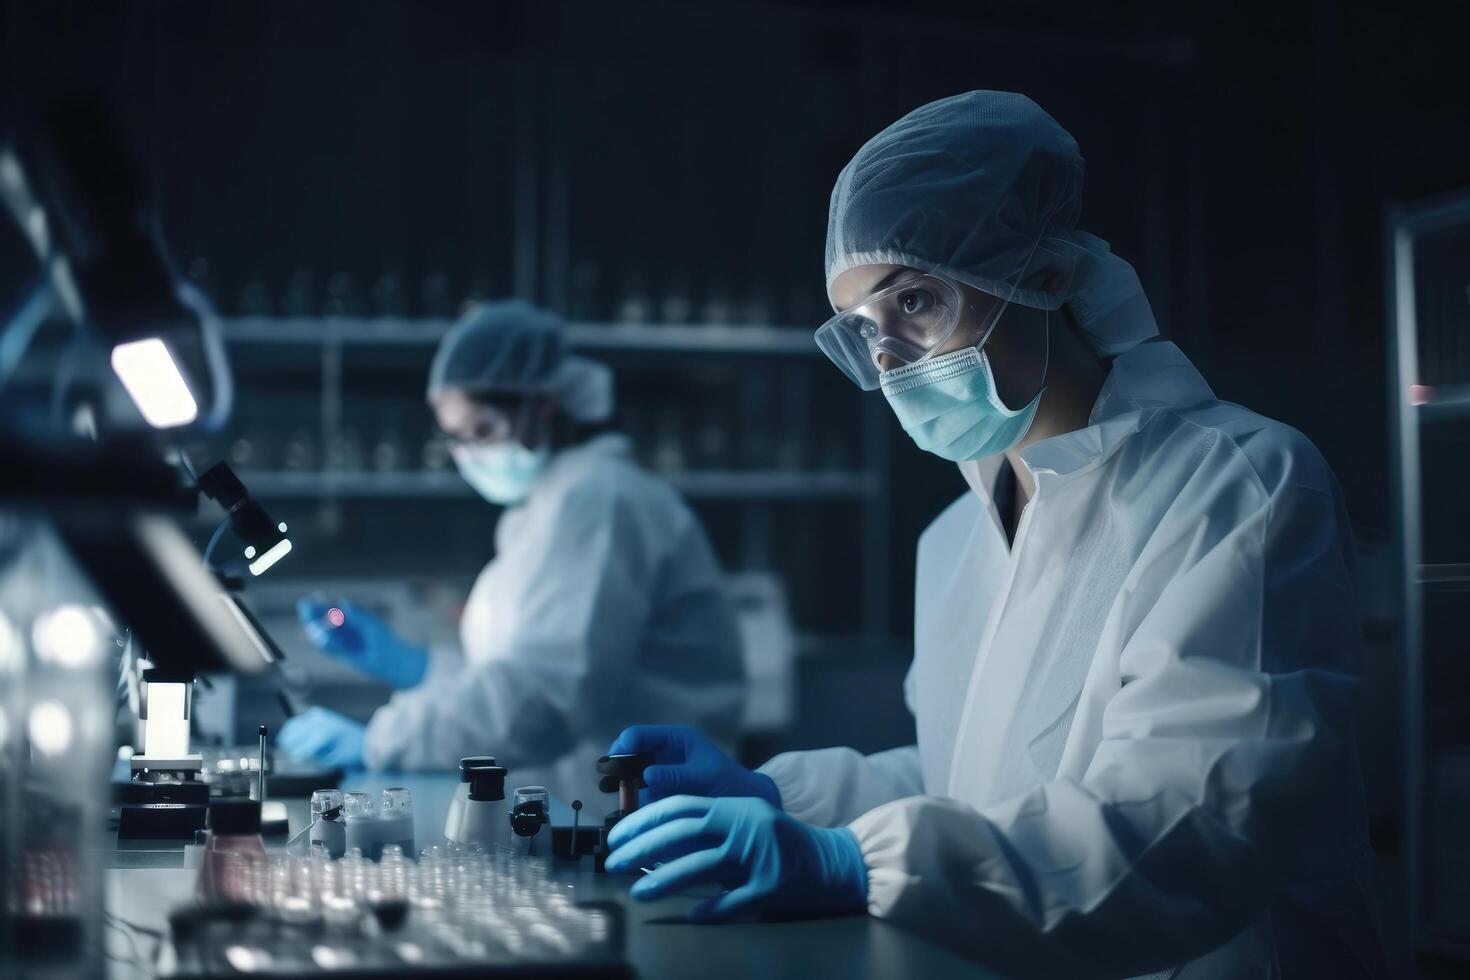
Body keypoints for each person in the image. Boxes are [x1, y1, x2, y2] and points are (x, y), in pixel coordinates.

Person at [601, 92, 1391, 978]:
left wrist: (854, 864)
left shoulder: (1238, 481)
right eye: (864, 331)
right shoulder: (954, 538)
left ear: (1046, 275)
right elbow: (970, 785)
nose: (890, 355)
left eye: (917, 302)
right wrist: (787, 799)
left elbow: (1193, 822)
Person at [279, 301, 745, 800]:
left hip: (642, 806)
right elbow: (515, 670)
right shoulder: (545, 507)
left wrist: (382, 742)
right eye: (454, 438)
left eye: (481, 431)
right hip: (586, 800)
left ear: (544, 406)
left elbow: (544, 696)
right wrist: (419, 668)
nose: (468, 455)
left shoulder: (600, 501)